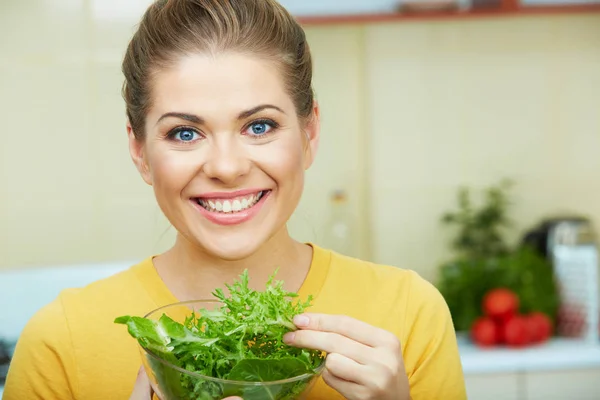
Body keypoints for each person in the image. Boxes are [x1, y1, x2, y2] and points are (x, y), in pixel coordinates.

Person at [4, 0, 467, 399]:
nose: (226, 167)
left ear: (309, 134)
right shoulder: (60, 343)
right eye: (185, 133)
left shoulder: (407, 313)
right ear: (140, 152)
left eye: (259, 126)